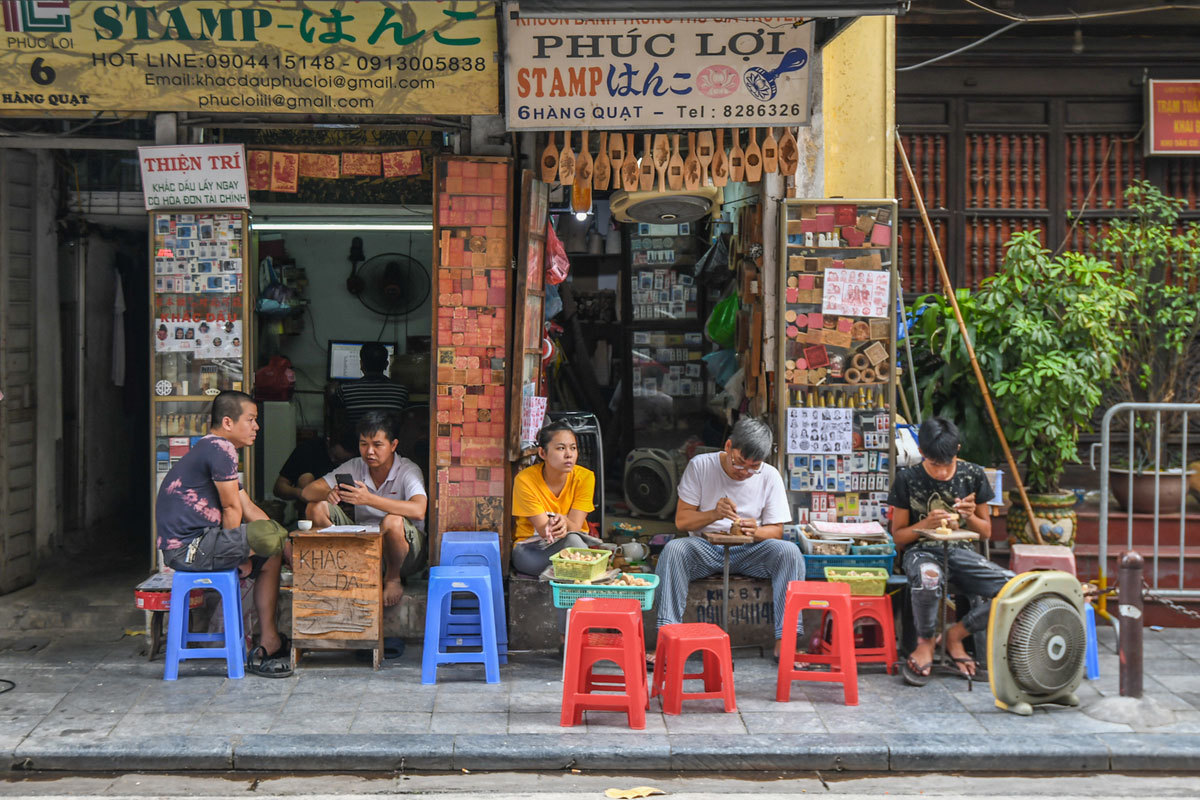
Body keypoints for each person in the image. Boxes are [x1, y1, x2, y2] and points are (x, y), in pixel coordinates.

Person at [155, 391, 291, 677]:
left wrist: (286, 541)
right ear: (228, 422)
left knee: (274, 547)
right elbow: (231, 510)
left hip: (201, 544)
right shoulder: (221, 449)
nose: (257, 427)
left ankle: (270, 638)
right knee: (268, 538)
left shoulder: (214, 449)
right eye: (251, 420)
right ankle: (267, 636)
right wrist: (238, 553)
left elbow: (247, 506)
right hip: (189, 549)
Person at [654, 417, 804, 662]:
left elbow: (776, 531)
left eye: (753, 466)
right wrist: (714, 513)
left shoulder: (769, 476)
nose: (744, 472)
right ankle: (666, 638)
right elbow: (682, 521)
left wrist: (755, 531)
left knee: (789, 553)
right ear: (728, 446)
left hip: (749, 551)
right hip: (706, 548)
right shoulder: (701, 466)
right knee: (674, 550)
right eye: (740, 462)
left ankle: (786, 641)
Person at [888, 416, 1009, 686]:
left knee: (1013, 588)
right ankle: (925, 642)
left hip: (961, 551)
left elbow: (986, 531)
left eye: (948, 465)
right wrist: (925, 524)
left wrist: (967, 518)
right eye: (934, 465)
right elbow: (898, 537)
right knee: (929, 578)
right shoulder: (907, 479)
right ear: (921, 454)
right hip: (921, 553)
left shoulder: (972, 475)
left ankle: (956, 635)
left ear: (958, 450)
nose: (942, 473)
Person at [302, 410, 427, 607]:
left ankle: (392, 579)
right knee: (315, 508)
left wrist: (369, 499)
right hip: (366, 547)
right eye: (363, 444)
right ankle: (342, 570)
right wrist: (327, 494)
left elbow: (419, 509)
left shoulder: (407, 470)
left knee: (392, 521)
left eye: (377, 445)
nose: (369, 452)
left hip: (405, 554)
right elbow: (308, 492)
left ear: (393, 445)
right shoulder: (355, 466)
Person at [510, 421, 597, 577]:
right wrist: (558, 525)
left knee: (574, 543)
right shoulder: (525, 480)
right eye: (561, 448)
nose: (569, 454)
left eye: (573, 448)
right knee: (575, 548)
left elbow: (576, 526)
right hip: (533, 550)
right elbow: (546, 532)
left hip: (572, 543)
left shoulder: (585, 478)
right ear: (543, 453)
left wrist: (564, 521)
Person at [331, 342, 409, 448]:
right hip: (388, 452)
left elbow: (338, 426)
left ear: (361, 364)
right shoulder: (401, 391)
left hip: (355, 450)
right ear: (386, 365)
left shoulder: (344, 390)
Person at [273, 435, 353, 511]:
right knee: (306, 478)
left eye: (342, 462)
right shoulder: (308, 450)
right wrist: (299, 493)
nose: (333, 462)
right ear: (329, 442)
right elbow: (279, 487)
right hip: (316, 503)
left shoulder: (357, 463)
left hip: (346, 507)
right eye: (334, 457)